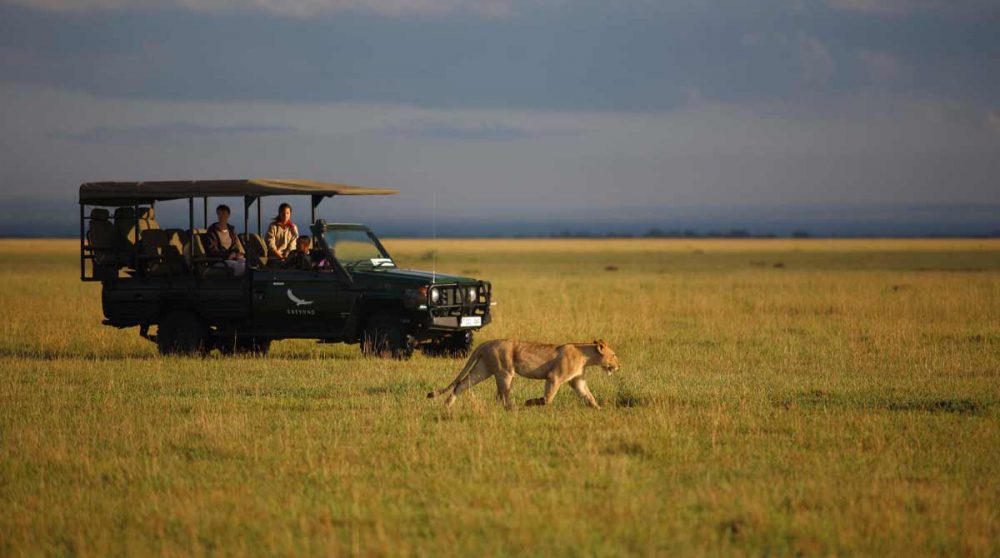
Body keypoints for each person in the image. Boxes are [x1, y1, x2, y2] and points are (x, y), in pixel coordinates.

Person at [206, 204, 246, 276]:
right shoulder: (212, 231)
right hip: (219, 260)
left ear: (228, 215)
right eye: (219, 214)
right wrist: (228, 255)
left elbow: (235, 246)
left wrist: (235, 253)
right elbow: (212, 250)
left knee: (247, 263)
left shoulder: (231, 230)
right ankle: (236, 284)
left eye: (224, 214)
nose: (222, 216)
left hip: (231, 258)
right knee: (241, 266)